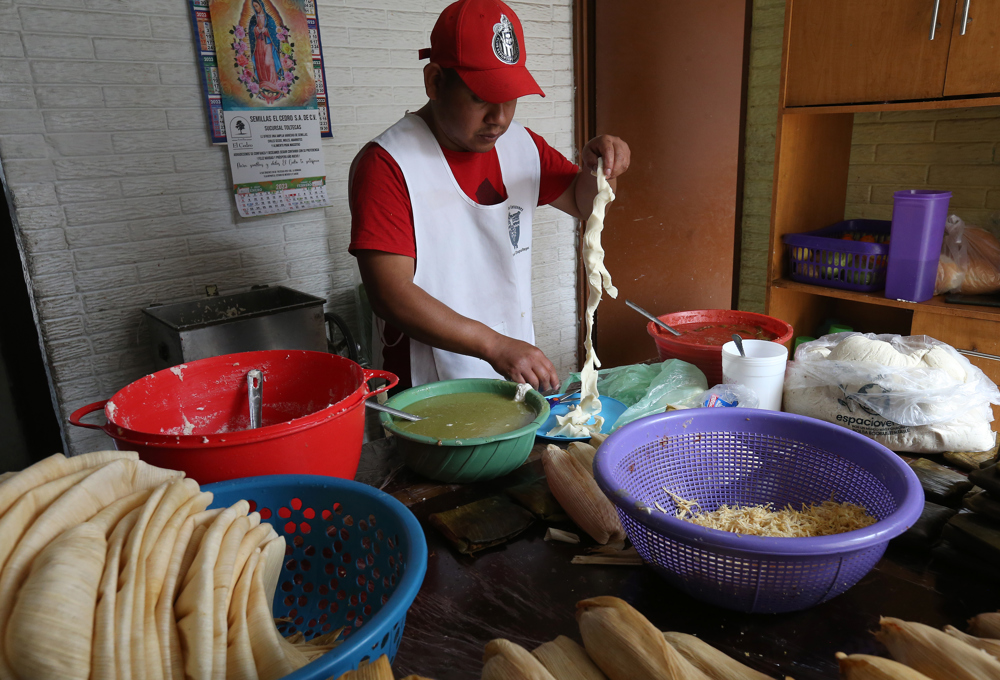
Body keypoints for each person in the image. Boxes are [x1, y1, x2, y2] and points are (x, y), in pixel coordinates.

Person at [349, 0, 630, 392]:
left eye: (510, 96)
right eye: (481, 97)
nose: (498, 117)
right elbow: (390, 293)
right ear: (435, 82)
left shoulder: (521, 146)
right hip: (427, 391)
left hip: (511, 374)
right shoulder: (389, 164)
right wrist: (494, 345)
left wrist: (601, 168)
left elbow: (586, 204)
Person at [248, 0, 283, 91]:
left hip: (267, 44)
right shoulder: (253, 18)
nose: (256, 8)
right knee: (260, 63)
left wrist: (265, 30)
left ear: (261, 5)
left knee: (269, 63)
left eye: (257, 5)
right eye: (254, 6)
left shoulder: (269, 18)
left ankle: (273, 83)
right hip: (258, 44)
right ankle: (263, 83)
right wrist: (256, 30)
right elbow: (251, 31)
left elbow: (273, 31)